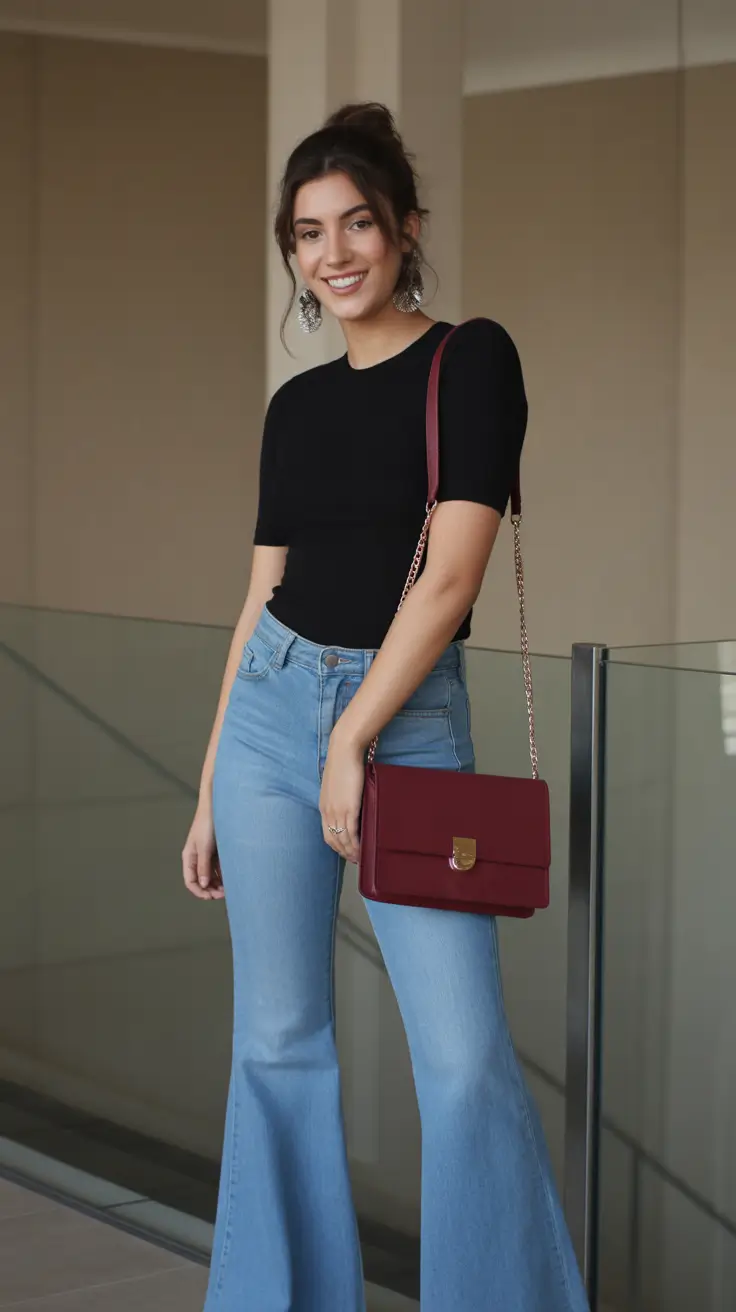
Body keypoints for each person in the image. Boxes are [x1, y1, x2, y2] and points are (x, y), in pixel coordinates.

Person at [183, 102, 588, 1312]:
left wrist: (353, 740)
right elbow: (258, 607)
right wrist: (210, 786)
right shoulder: (294, 410)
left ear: (407, 229)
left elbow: (452, 574)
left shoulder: (474, 358)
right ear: (293, 256)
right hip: (268, 717)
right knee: (276, 1041)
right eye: (307, 233)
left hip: (404, 725)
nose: (334, 251)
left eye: (357, 221)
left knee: (463, 1060)